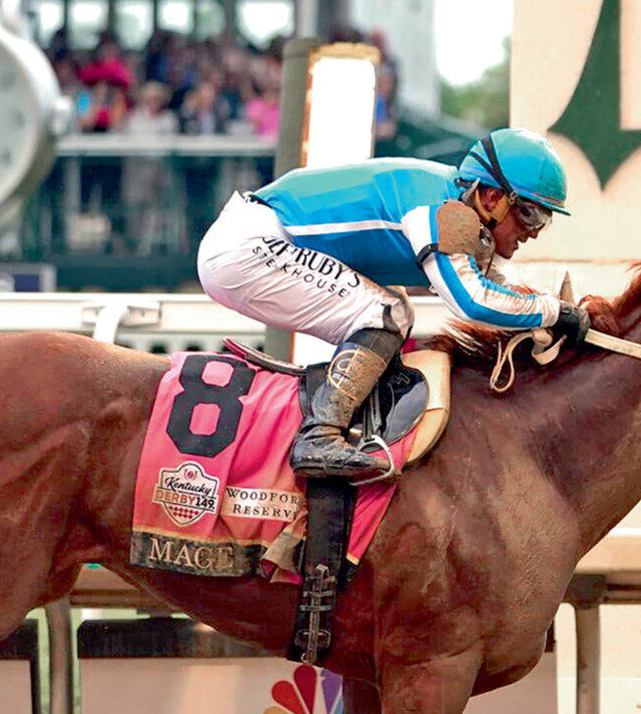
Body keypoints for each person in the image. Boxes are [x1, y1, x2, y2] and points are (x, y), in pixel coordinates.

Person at [198, 127, 586, 478]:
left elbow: (495, 287)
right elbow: (472, 302)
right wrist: (552, 312)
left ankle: (343, 422)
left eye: (544, 220)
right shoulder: (441, 211)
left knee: (393, 307)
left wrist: (546, 310)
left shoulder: (456, 203)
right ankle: (319, 436)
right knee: (386, 313)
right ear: (493, 198)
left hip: (255, 238)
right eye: (530, 215)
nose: (534, 233)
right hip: (248, 246)